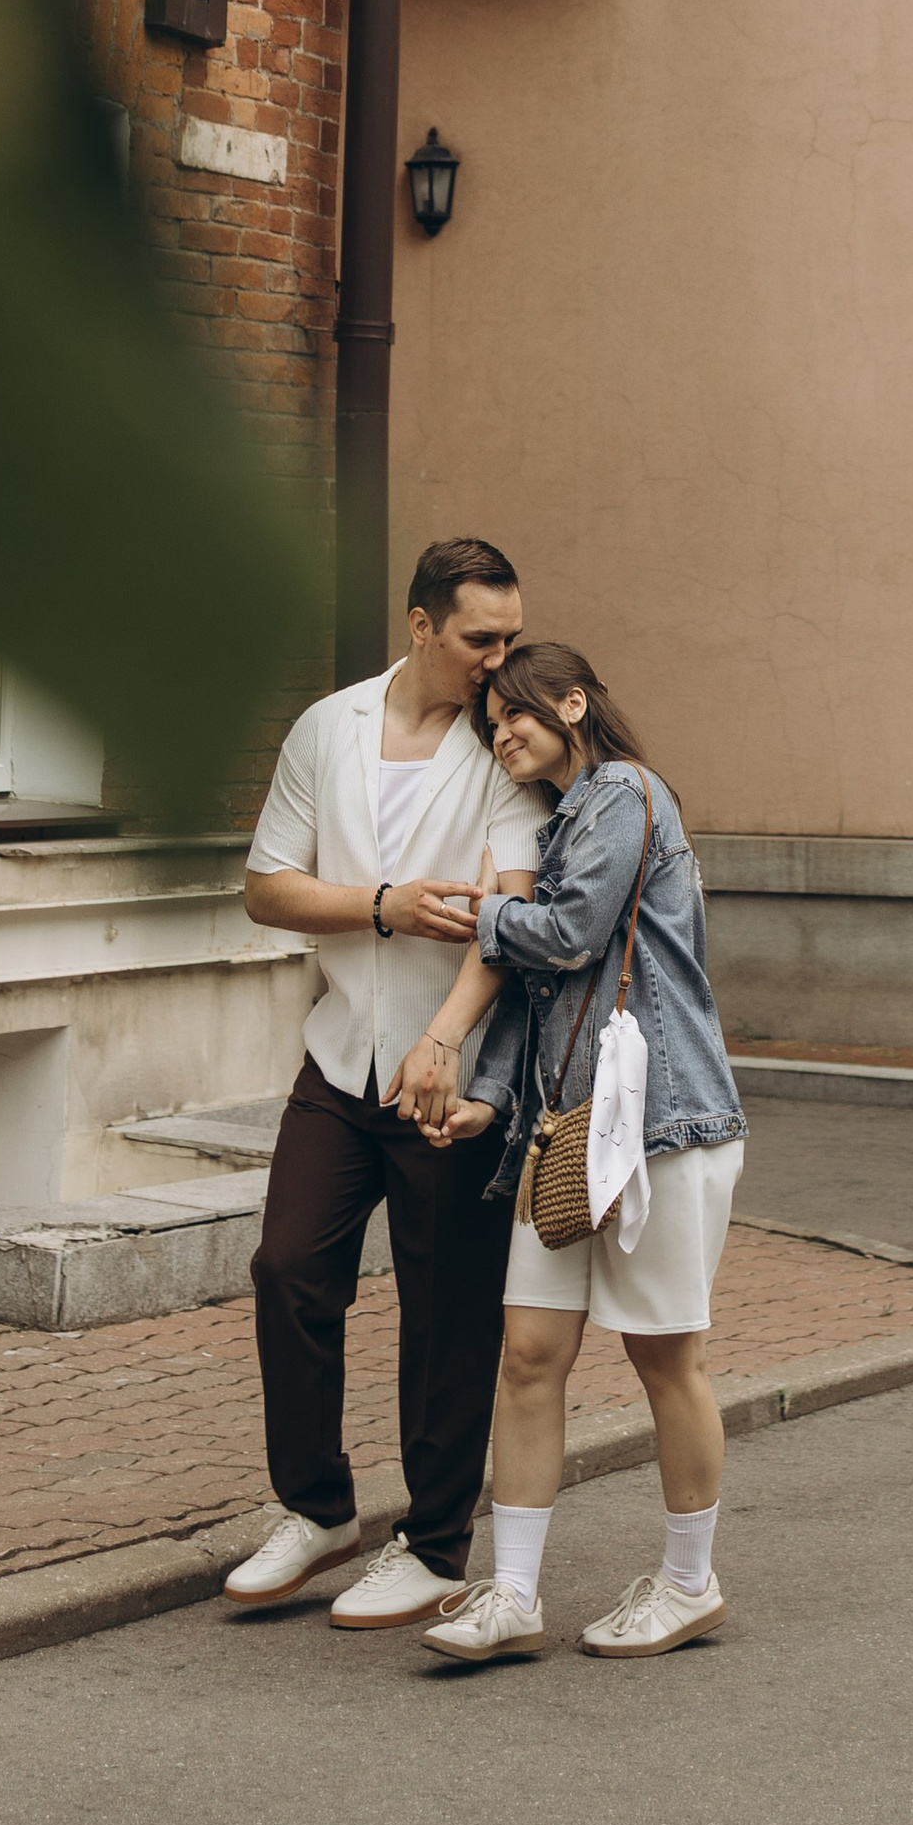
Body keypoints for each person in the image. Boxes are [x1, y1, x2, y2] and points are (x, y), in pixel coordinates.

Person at [398, 639, 748, 1665]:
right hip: (563, 1134)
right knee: (530, 1356)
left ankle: (690, 1584)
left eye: (514, 714)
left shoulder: (625, 793)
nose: (499, 733)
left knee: (663, 1358)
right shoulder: (561, 825)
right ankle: (511, 1594)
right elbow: (547, 990)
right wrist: (490, 1099)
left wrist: (480, 913)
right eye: (488, 723)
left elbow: (565, 935)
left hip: (663, 1130)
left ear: (572, 704)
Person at [224, 537, 547, 1631]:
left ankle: (435, 1545)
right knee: (287, 1269)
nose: (500, 660)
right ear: (420, 627)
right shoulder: (330, 728)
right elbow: (268, 890)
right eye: (480, 639)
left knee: (445, 1312)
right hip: (337, 1055)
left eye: (509, 637)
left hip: (445, 1072)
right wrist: (382, 906)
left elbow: (510, 914)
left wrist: (445, 1039)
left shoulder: (506, 746)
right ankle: (317, 1512)